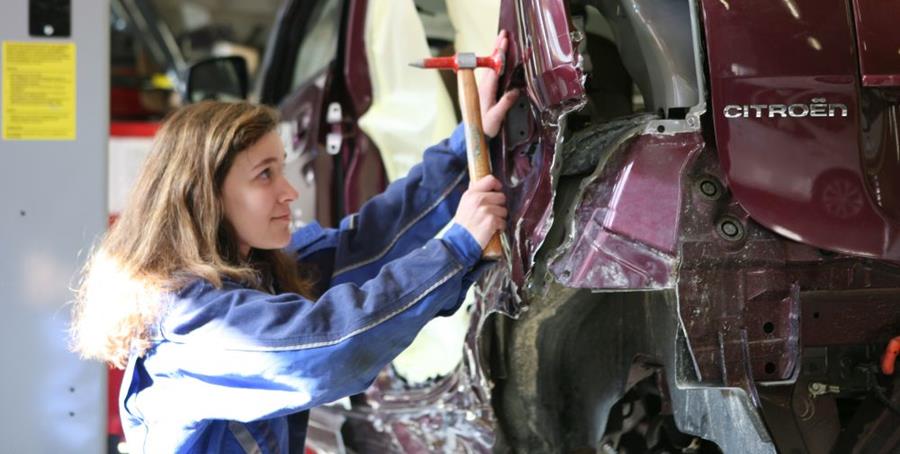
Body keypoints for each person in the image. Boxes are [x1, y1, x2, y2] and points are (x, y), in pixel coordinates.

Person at [70, 33, 520, 453]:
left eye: (281, 169)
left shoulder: (256, 274)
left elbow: (369, 240)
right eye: (264, 174)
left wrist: (468, 143)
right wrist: (456, 249)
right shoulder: (193, 322)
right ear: (205, 196)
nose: (288, 191)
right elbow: (331, 348)